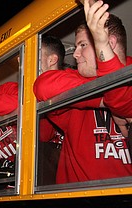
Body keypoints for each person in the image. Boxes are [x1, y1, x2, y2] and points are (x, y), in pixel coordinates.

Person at [33, 1, 131, 184]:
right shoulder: (74, 79)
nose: (75, 54)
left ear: (108, 43)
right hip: (79, 203)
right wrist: (107, 101)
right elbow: (42, 86)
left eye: (83, 45)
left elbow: (123, 98)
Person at [37, 35, 65, 185]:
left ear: (52, 60)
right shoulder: (36, 95)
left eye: (34, 57)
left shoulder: (71, 84)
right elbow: (44, 135)